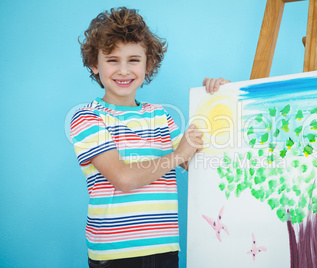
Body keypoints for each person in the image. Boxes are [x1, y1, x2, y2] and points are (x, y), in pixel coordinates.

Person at [70, 7, 230, 268]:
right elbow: (123, 178)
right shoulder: (87, 117)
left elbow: (194, 162)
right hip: (115, 254)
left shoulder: (160, 116)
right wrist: (178, 154)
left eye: (133, 60)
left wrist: (222, 99)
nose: (123, 70)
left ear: (149, 64)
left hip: (164, 249)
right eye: (112, 60)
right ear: (94, 64)